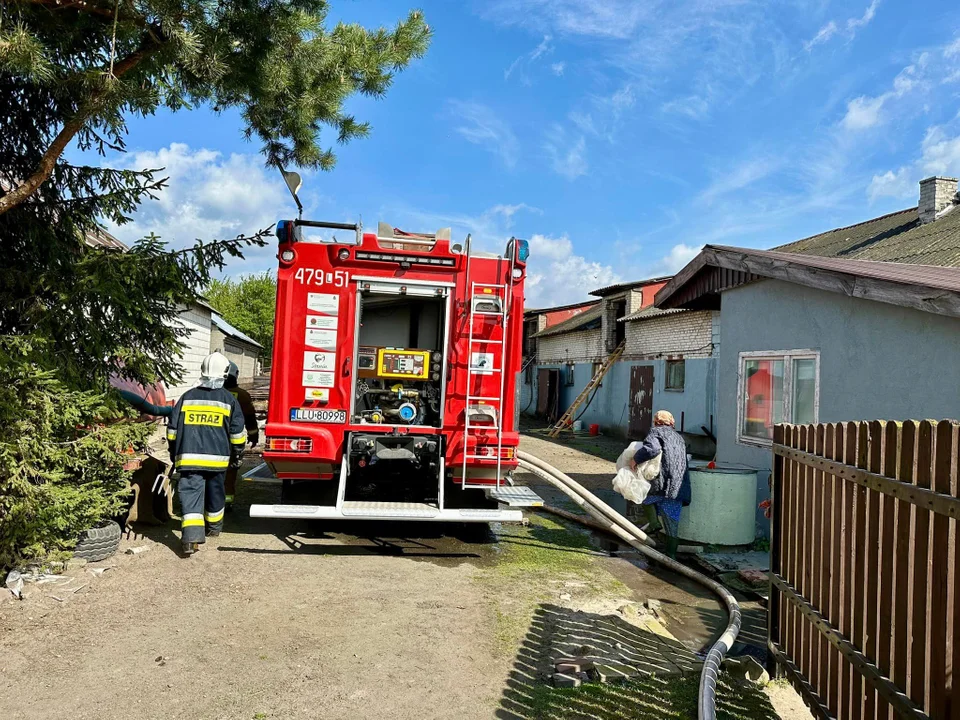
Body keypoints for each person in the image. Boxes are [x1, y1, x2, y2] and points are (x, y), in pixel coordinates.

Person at [167, 352, 246, 556]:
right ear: (225, 374)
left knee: (191, 496)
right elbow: (237, 434)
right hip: (218, 461)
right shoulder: (229, 400)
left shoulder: (187, 397)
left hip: (188, 459)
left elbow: (172, 431)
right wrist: (237, 454)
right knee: (215, 494)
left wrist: (173, 453)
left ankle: (190, 539)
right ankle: (214, 528)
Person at [630, 410, 692, 559]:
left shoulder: (656, 433)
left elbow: (653, 449)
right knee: (672, 524)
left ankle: (653, 524)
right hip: (678, 486)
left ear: (656, 422)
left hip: (661, 482)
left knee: (644, 498)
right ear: (672, 423)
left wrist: (636, 459)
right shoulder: (678, 437)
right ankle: (671, 557)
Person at [223, 360, 260, 510]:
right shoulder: (243, 396)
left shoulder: (213, 394)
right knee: (230, 472)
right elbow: (250, 419)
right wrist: (254, 436)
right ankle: (226, 502)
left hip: (209, 440)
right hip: (231, 442)